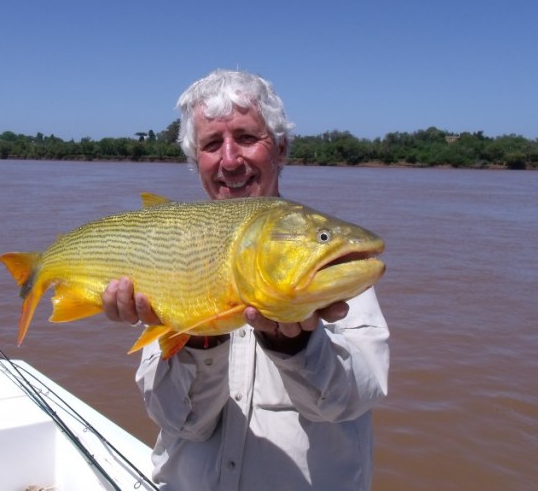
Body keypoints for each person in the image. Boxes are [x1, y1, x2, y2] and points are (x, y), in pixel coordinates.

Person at [102, 69, 389, 490]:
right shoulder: (168, 254)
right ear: (195, 160)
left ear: (282, 148)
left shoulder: (323, 262)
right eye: (212, 144)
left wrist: (297, 345)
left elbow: (355, 397)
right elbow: (181, 422)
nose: (230, 159)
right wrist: (201, 335)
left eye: (247, 138)